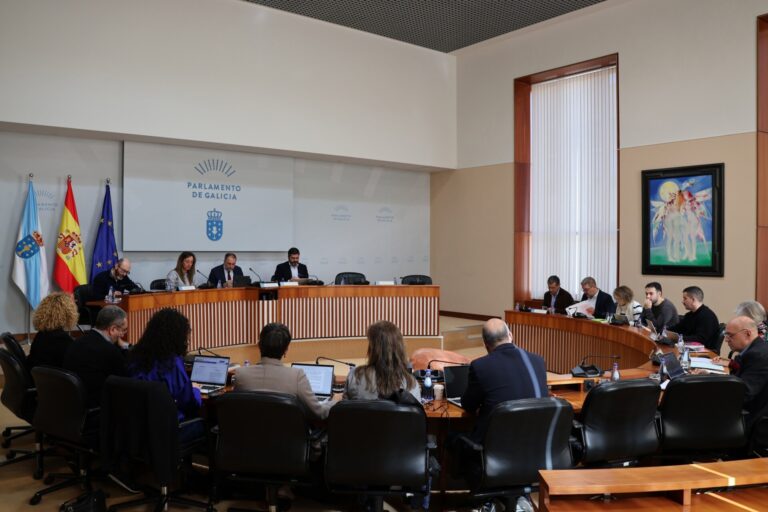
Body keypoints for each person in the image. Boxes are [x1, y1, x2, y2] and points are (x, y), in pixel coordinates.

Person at [461, 318, 547, 441]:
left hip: (496, 444)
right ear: (510, 335)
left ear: (485, 343)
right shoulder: (538, 360)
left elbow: (468, 406)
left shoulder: (480, 366)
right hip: (535, 441)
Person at [127, 308, 203, 441]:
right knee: (209, 423)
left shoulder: (135, 357)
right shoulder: (172, 363)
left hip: (138, 428)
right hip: (168, 430)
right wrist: (196, 390)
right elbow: (188, 402)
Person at [234, 323, 333, 421]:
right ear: (286, 350)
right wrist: (335, 400)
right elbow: (319, 413)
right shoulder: (296, 376)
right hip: (287, 435)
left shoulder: (240, 374)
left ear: (259, 346)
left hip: (249, 435)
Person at [63, 305, 129, 407]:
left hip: (71, 406)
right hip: (97, 409)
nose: (123, 335)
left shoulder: (76, 342)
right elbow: (126, 383)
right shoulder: (110, 352)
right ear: (112, 329)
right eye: (123, 330)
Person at [344, 320, 421, 401]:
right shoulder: (411, 383)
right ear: (399, 348)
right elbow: (418, 412)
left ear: (372, 349)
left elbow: (344, 410)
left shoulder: (355, 376)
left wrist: (335, 400)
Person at [715, 317, 768, 431]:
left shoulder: (757, 355)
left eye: (730, 335)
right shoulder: (755, 350)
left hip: (752, 421)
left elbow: (744, 394)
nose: (726, 340)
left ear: (747, 334)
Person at [27, 292, 77, 369]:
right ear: (68, 313)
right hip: (52, 379)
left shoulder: (41, 335)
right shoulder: (64, 341)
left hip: (36, 377)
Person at [672, 286, 720, 352]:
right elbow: (677, 328)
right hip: (689, 349)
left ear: (693, 299)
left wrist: (679, 338)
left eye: (685, 298)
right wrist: (665, 332)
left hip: (704, 353)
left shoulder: (708, 316)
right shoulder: (689, 315)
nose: (682, 301)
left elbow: (700, 339)